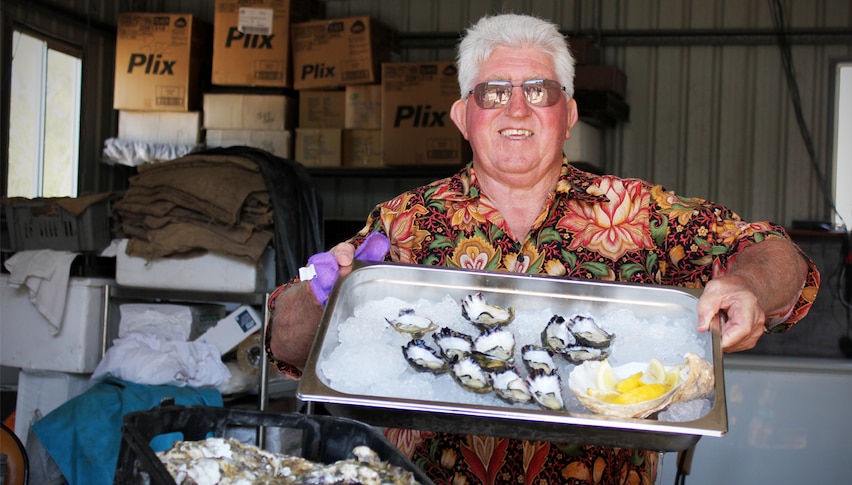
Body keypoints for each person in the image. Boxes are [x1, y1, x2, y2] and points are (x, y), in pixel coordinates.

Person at [267, 13, 820, 484]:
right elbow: (285, 345)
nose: (516, 109)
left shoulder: (639, 212)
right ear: (463, 115)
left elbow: (775, 252)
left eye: (539, 91)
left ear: (570, 115)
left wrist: (749, 283)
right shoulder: (403, 222)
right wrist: (319, 297)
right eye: (493, 92)